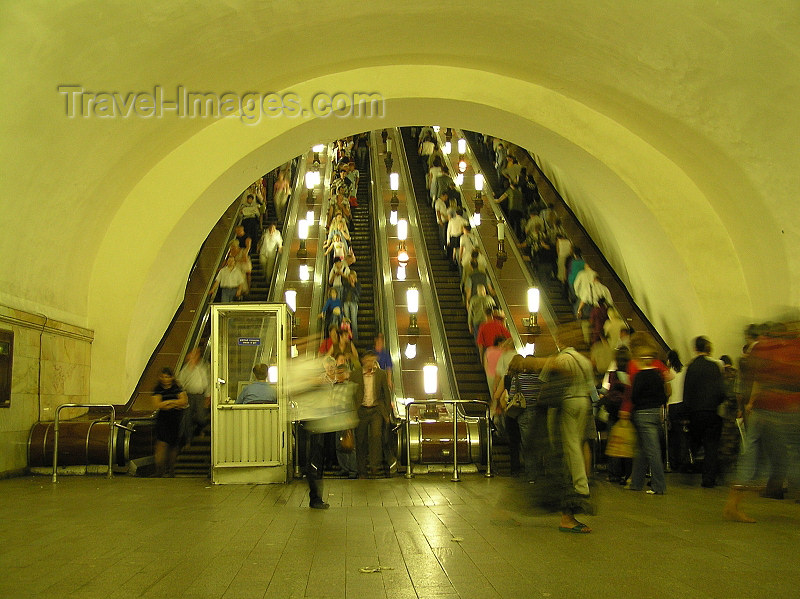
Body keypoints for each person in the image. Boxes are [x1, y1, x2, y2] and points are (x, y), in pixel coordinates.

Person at [537, 323, 596, 533]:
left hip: (567, 404)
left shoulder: (560, 358)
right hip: (584, 403)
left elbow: (543, 380)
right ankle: (582, 483)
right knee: (577, 445)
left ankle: (579, 485)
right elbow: (592, 387)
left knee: (568, 447)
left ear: (560, 341)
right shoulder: (584, 360)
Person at [627, 336, 670, 494]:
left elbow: (634, 396)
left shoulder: (639, 375)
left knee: (651, 451)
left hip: (641, 414)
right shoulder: (658, 375)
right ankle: (636, 483)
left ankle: (659, 486)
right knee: (643, 449)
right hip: (655, 413)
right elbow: (663, 396)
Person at [683, 336, 726, 487]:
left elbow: (687, 393)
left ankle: (690, 466)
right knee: (711, 446)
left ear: (695, 349)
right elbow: (722, 391)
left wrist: (687, 414)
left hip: (696, 413)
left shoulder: (691, 367)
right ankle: (709, 478)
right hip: (712, 412)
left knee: (695, 442)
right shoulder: (714, 366)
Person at [354, 350, 393, 478]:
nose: (370, 363)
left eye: (373, 360)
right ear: (363, 360)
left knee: (376, 436)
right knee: (361, 439)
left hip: (376, 409)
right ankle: (362, 470)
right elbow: (352, 394)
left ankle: (375, 467)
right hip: (361, 409)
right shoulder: (356, 374)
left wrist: (387, 413)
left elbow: (386, 393)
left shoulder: (380, 374)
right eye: (368, 360)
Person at [152, 367, 189, 477]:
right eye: (163, 377)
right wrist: (174, 403)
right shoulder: (158, 389)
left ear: (172, 377)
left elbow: (184, 401)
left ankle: (171, 469)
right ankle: (160, 470)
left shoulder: (177, 387)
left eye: (167, 377)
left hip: (175, 419)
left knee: (173, 445)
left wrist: (168, 402)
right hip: (163, 419)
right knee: (161, 444)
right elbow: (157, 405)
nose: (165, 379)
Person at [177, 347, 211, 445]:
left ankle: (200, 430)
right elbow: (180, 382)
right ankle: (189, 440)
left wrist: (208, 396)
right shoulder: (186, 368)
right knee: (187, 418)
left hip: (200, 395)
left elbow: (208, 381)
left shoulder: (204, 367)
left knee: (201, 417)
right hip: (188, 396)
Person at [341, 271, 361, 341]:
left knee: (354, 321)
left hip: (353, 303)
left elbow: (358, 294)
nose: (351, 279)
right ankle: (347, 338)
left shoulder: (358, 285)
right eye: (350, 277)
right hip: (346, 303)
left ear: (355, 278)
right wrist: (342, 305)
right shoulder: (346, 284)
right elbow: (343, 295)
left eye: (353, 277)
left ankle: (355, 338)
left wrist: (353, 286)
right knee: (347, 321)